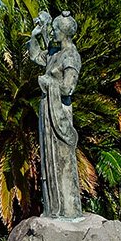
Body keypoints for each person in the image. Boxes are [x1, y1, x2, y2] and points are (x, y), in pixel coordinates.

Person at [28, 11, 83, 219]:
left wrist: (48, 82)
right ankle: (53, 209)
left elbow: (68, 88)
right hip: (47, 110)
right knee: (49, 160)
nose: (53, 33)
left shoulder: (71, 56)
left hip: (59, 114)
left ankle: (68, 209)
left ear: (65, 33)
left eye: (56, 30)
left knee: (62, 160)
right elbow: (35, 56)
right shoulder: (54, 54)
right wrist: (35, 36)